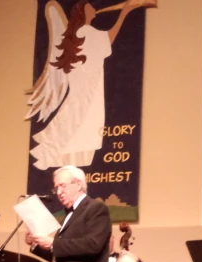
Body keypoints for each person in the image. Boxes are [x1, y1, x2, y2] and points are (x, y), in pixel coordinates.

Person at [27, 0, 146, 170]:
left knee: (77, 129)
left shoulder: (76, 35)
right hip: (87, 94)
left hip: (84, 92)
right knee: (81, 128)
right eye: (90, 7)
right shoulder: (85, 32)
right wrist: (124, 13)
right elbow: (108, 40)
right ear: (82, 13)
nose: (94, 9)